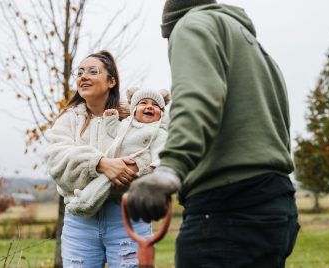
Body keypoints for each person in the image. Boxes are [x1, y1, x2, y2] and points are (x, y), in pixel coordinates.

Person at [125, 1, 300, 267]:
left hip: (227, 210)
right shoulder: (258, 51)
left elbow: (197, 99)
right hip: (275, 204)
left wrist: (168, 170)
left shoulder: (190, 25)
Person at [45, 50, 152, 268]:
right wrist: (100, 164)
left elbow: (147, 158)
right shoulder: (67, 121)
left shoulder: (133, 119)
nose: (83, 76)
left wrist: (129, 170)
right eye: (80, 72)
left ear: (111, 81)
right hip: (79, 222)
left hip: (127, 217)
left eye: (93, 71)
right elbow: (57, 161)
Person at [66, 88, 170, 217]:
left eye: (155, 105)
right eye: (143, 103)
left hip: (135, 166)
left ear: (161, 113)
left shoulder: (158, 132)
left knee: (104, 182)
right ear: (133, 110)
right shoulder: (126, 125)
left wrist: (157, 167)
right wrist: (111, 119)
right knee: (102, 180)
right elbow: (114, 132)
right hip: (115, 164)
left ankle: (85, 203)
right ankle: (84, 195)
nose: (149, 107)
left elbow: (161, 151)